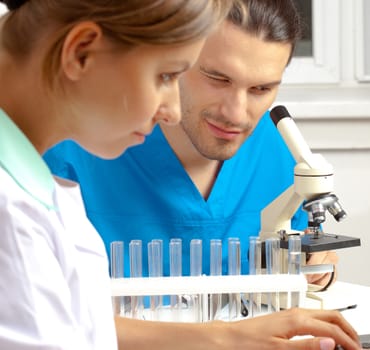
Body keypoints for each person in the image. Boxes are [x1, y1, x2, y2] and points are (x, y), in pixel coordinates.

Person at [0, 1, 370, 349]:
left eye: (263, 89)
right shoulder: (21, 207)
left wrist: (230, 335)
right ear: (81, 53)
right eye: (167, 75)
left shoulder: (34, 187)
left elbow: (81, 329)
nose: (172, 110)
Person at [44, 0, 338, 288]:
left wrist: (319, 270)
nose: (236, 114)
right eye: (217, 79)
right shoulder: (72, 150)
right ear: (175, 58)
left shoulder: (276, 149)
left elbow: (307, 251)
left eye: (260, 89)